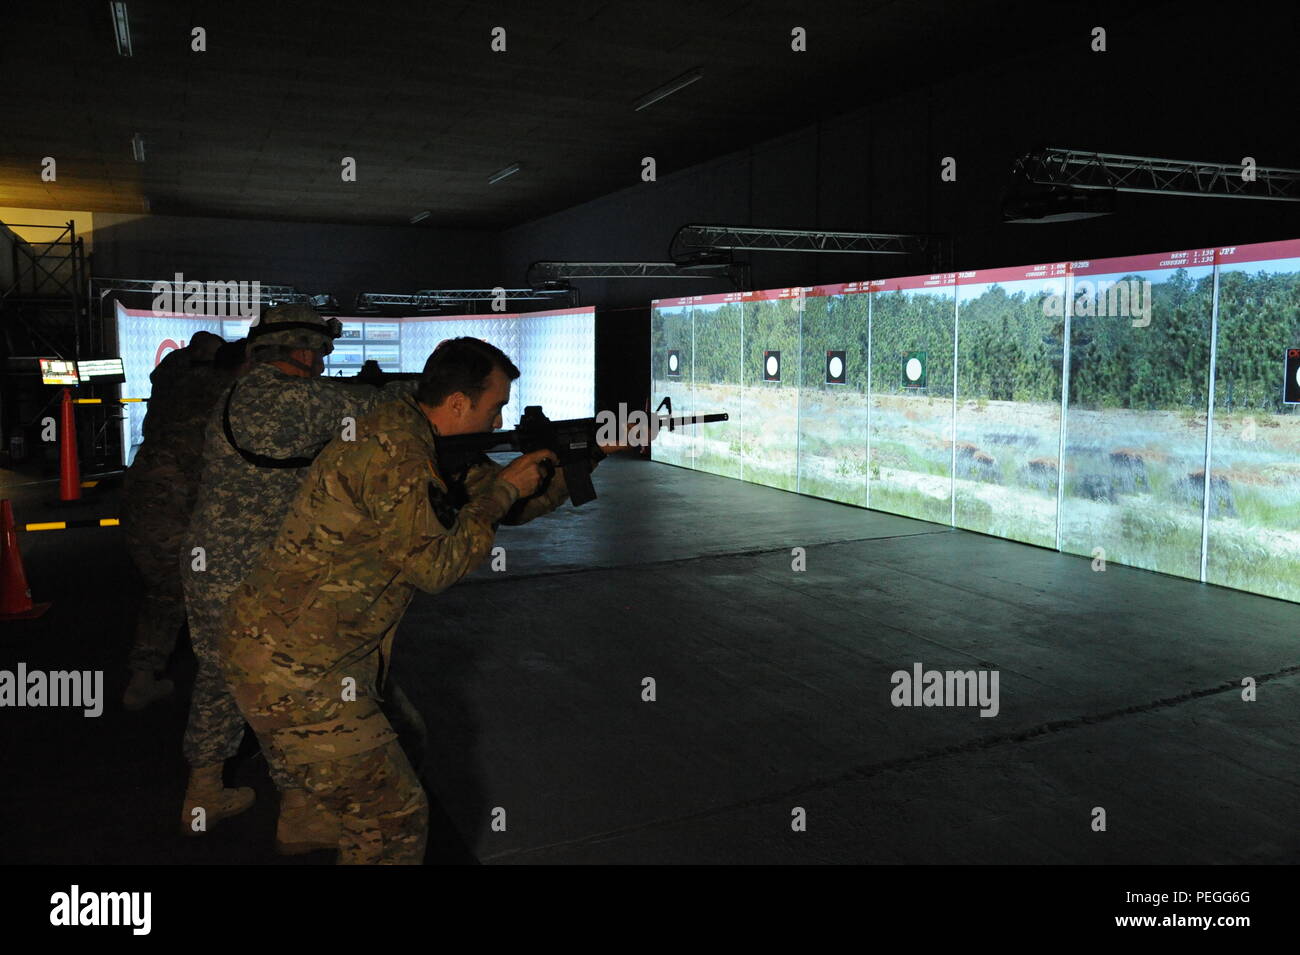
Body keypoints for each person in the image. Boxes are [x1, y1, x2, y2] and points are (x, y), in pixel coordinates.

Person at [219, 337, 603, 864]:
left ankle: (309, 823)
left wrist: (590, 454)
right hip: (293, 664)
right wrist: (504, 490)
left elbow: (503, 505)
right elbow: (437, 566)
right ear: (460, 403)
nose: (497, 423)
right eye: (494, 408)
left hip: (328, 649)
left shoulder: (421, 433)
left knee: (405, 739)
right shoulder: (396, 451)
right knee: (394, 817)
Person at [178, 304, 415, 848]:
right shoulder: (304, 399)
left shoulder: (232, 395)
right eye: (320, 353)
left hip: (208, 562)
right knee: (284, 684)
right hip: (262, 573)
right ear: (305, 352)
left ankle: (203, 792)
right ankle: (300, 809)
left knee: (220, 674)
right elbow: (389, 405)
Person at [121, 331, 241, 710]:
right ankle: (225, 681)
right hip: (181, 500)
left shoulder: (172, 376)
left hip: (141, 490)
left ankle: (144, 675)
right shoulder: (223, 387)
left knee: (165, 590)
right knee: (208, 584)